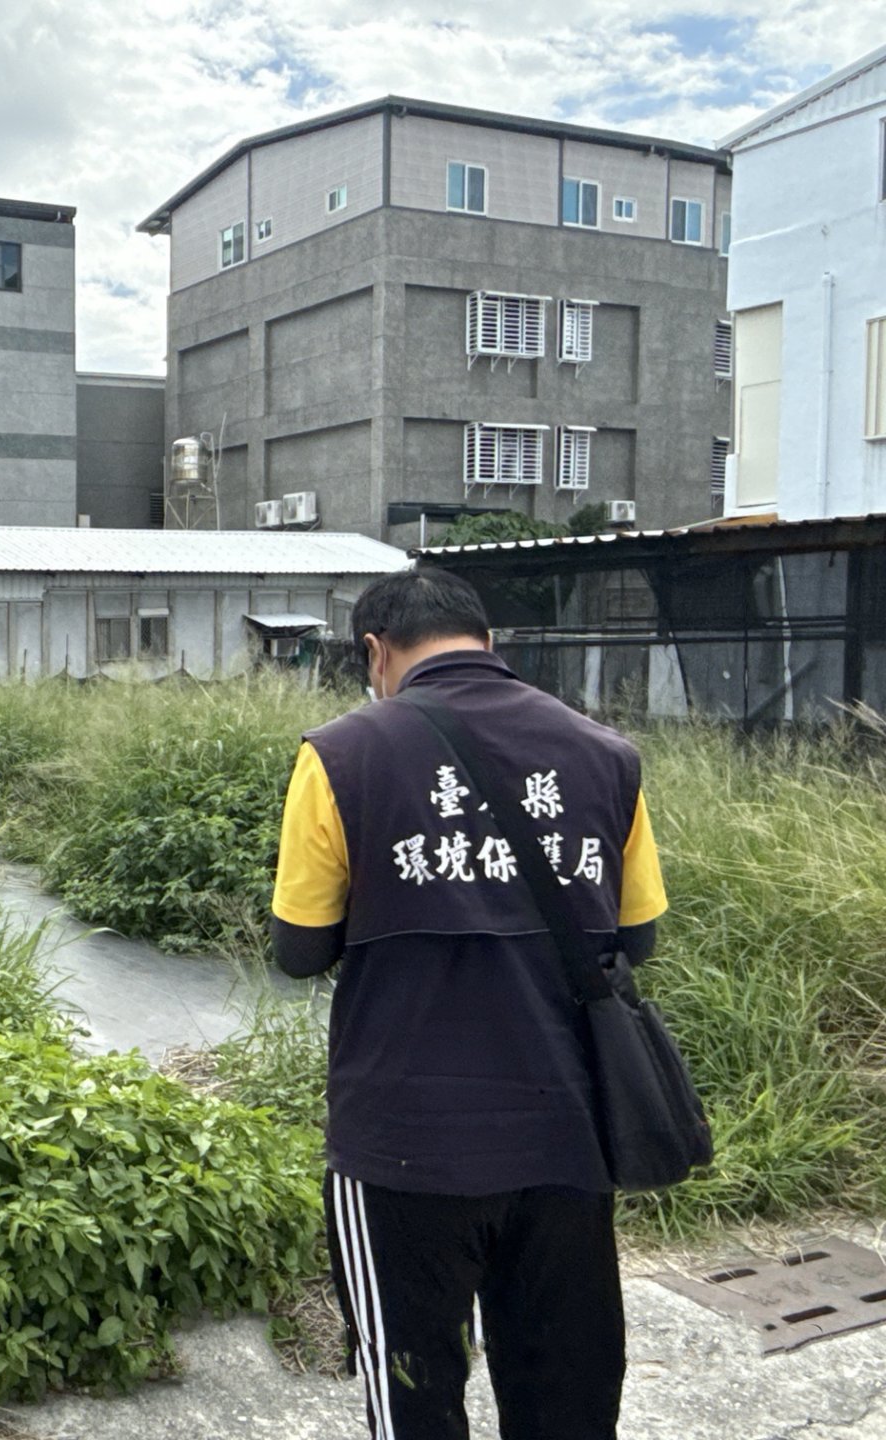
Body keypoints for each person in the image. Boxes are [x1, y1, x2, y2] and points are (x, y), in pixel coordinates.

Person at [270, 567, 667, 1440]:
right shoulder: (606, 754)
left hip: (406, 1147)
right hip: (565, 1134)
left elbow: (299, 951)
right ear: (489, 642)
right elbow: (634, 940)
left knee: (416, 1396)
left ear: (376, 653)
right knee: (566, 1394)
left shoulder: (339, 755)